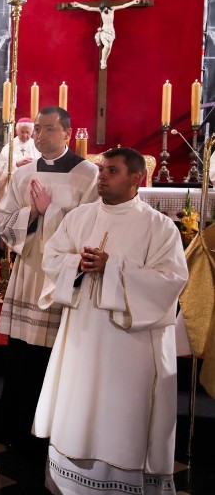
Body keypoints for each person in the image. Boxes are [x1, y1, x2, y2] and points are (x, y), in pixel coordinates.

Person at [35, 147, 188, 495]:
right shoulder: (79, 217)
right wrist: (77, 266)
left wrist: (113, 267)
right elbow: (53, 258)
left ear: (137, 178)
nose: (101, 176)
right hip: (83, 336)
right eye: (101, 169)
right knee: (80, 405)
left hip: (129, 347)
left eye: (112, 171)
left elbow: (171, 282)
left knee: (121, 417)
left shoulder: (159, 227)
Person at [0, 106, 99, 455]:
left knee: (54, 354)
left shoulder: (88, 175)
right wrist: (34, 213)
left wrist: (51, 211)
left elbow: (93, 227)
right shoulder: (24, 174)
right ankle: (16, 427)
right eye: (37, 129)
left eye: (49, 129)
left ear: (67, 133)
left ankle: (53, 431)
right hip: (29, 274)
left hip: (62, 280)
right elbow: (3, 220)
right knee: (22, 353)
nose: (40, 136)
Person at [69, 0, 142, 70]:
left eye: (104, 9)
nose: (103, 11)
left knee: (109, 48)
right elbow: (89, 8)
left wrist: (133, 2)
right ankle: (103, 61)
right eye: (102, 10)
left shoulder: (113, 9)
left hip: (111, 31)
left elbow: (123, 5)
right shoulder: (100, 10)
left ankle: (104, 61)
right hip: (104, 31)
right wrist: (78, 4)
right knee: (106, 46)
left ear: (107, 7)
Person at [0, 117, 41, 204]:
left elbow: (43, 163)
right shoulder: (9, 146)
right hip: (13, 185)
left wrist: (34, 163)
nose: (25, 135)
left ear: (32, 132)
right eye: (22, 132)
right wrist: (15, 164)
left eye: (27, 132)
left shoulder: (37, 145)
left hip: (30, 185)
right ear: (17, 131)